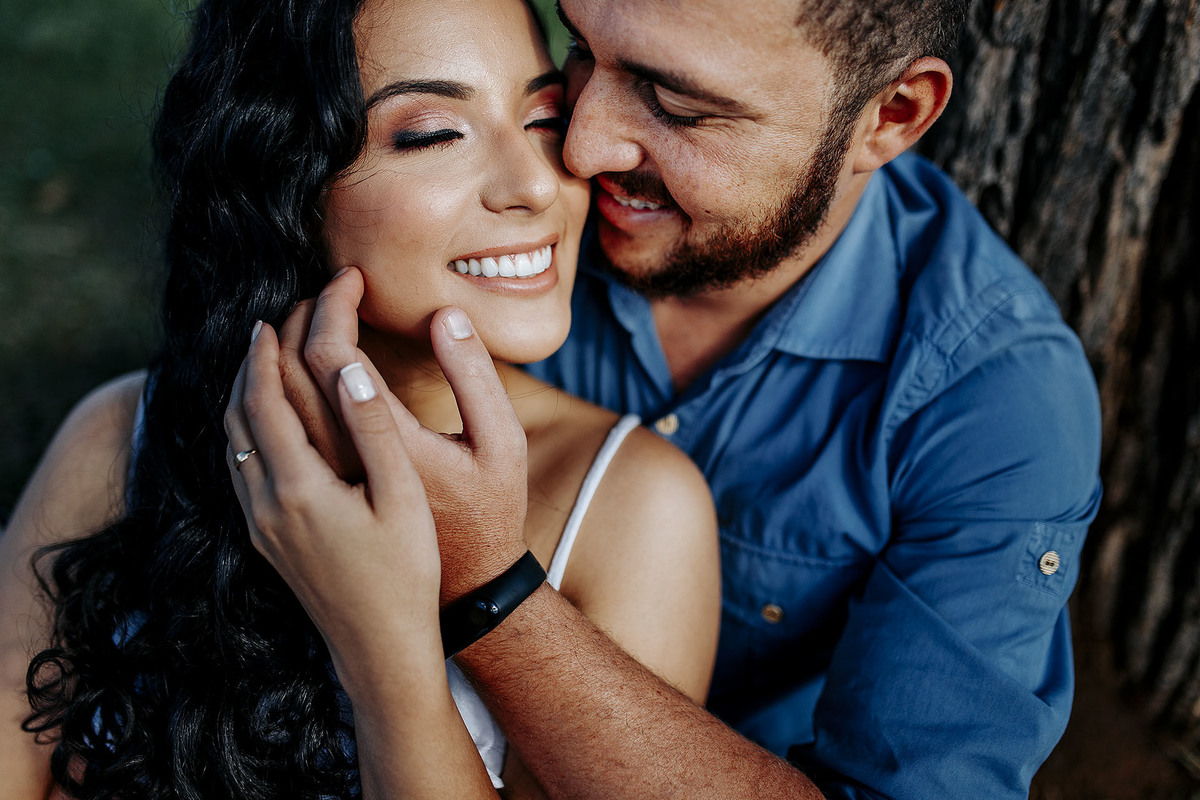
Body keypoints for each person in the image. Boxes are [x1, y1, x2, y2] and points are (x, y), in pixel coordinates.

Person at [275, 0, 1104, 797]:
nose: (581, 147)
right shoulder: (513, 227)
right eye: (579, 47)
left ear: (891, 114)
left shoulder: (996, 408)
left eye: (677, 105)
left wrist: (486, 586)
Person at [0, 0, 721, 797]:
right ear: (286, 179)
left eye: (544, 116)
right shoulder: (120, 433)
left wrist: (386, 650)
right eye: (432, 134)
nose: (535, 184)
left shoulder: (635, 510)